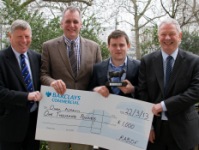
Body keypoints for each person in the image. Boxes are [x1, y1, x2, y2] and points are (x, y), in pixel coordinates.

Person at [40, 6, 102, 150]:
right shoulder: (48, 46)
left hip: (85, 116)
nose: (71, 25)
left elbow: (99, 78)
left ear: (81, 24)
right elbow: (43, 74)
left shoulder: (94, 47)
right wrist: (52, 82)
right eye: (68, 21)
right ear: (61, 23)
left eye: (75, 21)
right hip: (57, 114)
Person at [138, 17, 199, 150]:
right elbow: (142, 93)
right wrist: (148, 126)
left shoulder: (194, 62)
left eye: (171, 34)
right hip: (155, 132)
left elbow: (195, 92)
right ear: (158, 36)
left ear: (180, 35)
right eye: (163, 34)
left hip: (183, 131)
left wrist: (164, 105)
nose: (167, 38)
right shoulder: (147, 61)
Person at [88, 29, 140, 150]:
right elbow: (89, 90)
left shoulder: (139, 66)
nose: (118, 48)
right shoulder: (98, 68)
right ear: (108, 47)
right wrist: (95, 90)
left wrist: (133, 89)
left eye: (121, 45)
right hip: (106, 125)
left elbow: (146, 91)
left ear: (128, 46)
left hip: (131, 125)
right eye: (114, 45)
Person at [0, 19, 42, 150]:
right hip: (10, 127)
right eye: (19, 37)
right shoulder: (1, 59)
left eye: (27, 36)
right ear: (10, 36)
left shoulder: (37, 57)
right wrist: (26, 96)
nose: (24, 40)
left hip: (35, 126)